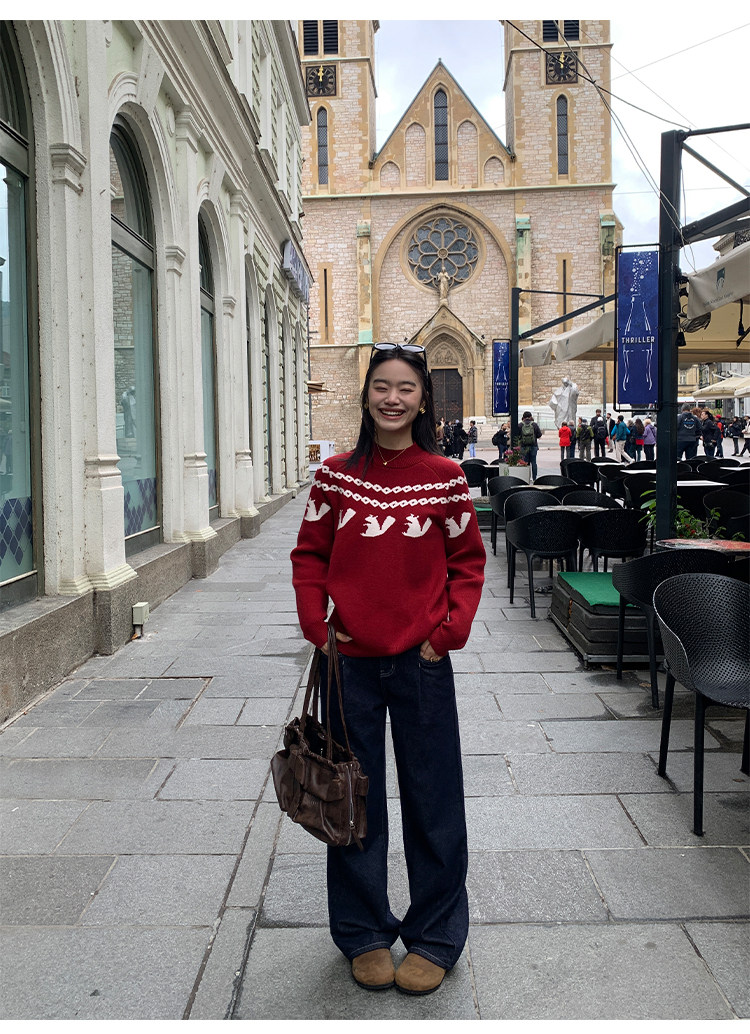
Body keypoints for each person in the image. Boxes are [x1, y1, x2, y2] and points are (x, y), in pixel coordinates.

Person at [290, 341, 485, 996]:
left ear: (422, 399)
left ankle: (436, 934)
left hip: (421, 663)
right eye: (382, 386)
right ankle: (363, 931)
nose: (393, 398)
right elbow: (309, 555)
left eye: (406, 387)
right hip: (350, 665)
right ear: (366, 394)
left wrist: (448, 633)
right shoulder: (335, 477)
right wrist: (317, 626)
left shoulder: (445, 477)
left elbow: (467, 562)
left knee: (435, 801)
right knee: (351, 799)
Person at [516, 410, 543, 481]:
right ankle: (534, 478)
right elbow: (539, 435)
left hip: (523, 446)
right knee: (534, 462)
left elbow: (517, 435)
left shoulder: (520, 425)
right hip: (533, 446)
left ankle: (526, 478)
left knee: (525, 463)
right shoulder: (534, 424)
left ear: (523, 417)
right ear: (530, 417)